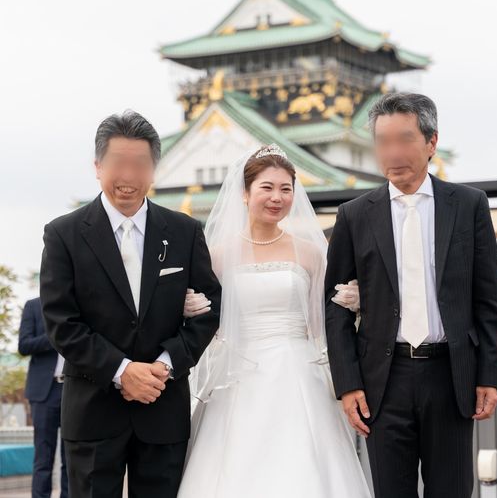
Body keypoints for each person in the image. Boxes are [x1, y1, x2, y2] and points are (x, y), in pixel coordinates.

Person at [325, 93, 497, 498]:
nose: (393, 152)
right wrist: (348, 383)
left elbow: (488, 298)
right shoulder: (354, 215)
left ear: (431, 142)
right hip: (382, 379)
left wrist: (490, 375)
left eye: (404, 139)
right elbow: (334, 306)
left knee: (452, 489)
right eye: (383, 141)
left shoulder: (469, 205)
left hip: (450, 375)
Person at [39, 110, 221, 498]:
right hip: (93, 411)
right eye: (118, 163)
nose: (129, 176)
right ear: (97, 166)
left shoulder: (185, 231)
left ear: (154, 168)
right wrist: (122, 371)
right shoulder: (63, 235)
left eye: (140, 164)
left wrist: (164, 366)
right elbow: (61, 323)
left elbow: (209, 310)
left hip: (163, 407)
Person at [177, 145, 371, 498]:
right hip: (236, 376)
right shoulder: (216, 256)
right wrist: (190, 309)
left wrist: (355, 306)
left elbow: (323, 323)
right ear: (245, 192)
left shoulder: (310, 253)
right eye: (266, 187)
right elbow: (210, 322)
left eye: (286, 189)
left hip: (298, 370)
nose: (277, 198)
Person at [18, 297, 68, 498]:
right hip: (44, 393)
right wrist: (56, 335)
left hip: (74, 390)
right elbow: (24, 345)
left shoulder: (79, 303)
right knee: (43, 458)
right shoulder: (33, 306)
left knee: (71, 457)